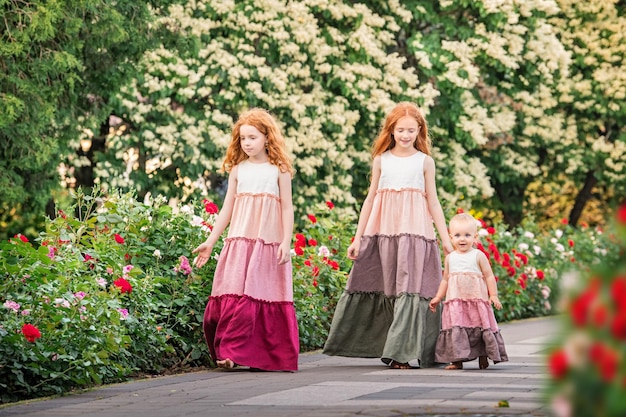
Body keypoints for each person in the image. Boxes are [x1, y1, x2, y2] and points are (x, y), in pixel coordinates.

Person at [323, 102, 454, 369]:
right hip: (382, 233)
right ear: (391, 131)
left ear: (420, 131)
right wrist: (358, 237)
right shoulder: (381, 161)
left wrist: (447, 240)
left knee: (410, 288)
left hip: (415, 233)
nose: (406, 135)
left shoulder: (424, 162)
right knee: (387, 287)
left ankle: (401, 353)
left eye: (411, 131)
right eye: (400, 130)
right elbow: (370, 200)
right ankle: (390, 348)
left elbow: (434, 202)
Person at [192, 108, 299, 372]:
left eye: (252, 137)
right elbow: (227, 208)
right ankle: (230, 353)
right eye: (243, 139)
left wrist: (286, 241)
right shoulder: (238, 170)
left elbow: (287, 207)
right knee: (235, 295)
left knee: (258, 295)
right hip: (240, 241)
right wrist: (211, 241)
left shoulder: (279, 170)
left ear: (266, 137)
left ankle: (257, 356)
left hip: (267, 244)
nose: (247, 143)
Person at [428, 212, 508, 370]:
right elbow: (445, 279)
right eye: (457, 235)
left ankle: (483, 354)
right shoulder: (450, 258)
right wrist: (438, 297)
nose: (462, 239)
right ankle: (457, 360)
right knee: (457, 328)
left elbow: (489, 276)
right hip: (456, 303)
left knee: (479, 326)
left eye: (467, 235)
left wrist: (493, 295)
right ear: (451, 237)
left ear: (475, 236)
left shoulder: (478, 256)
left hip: (476, 302)